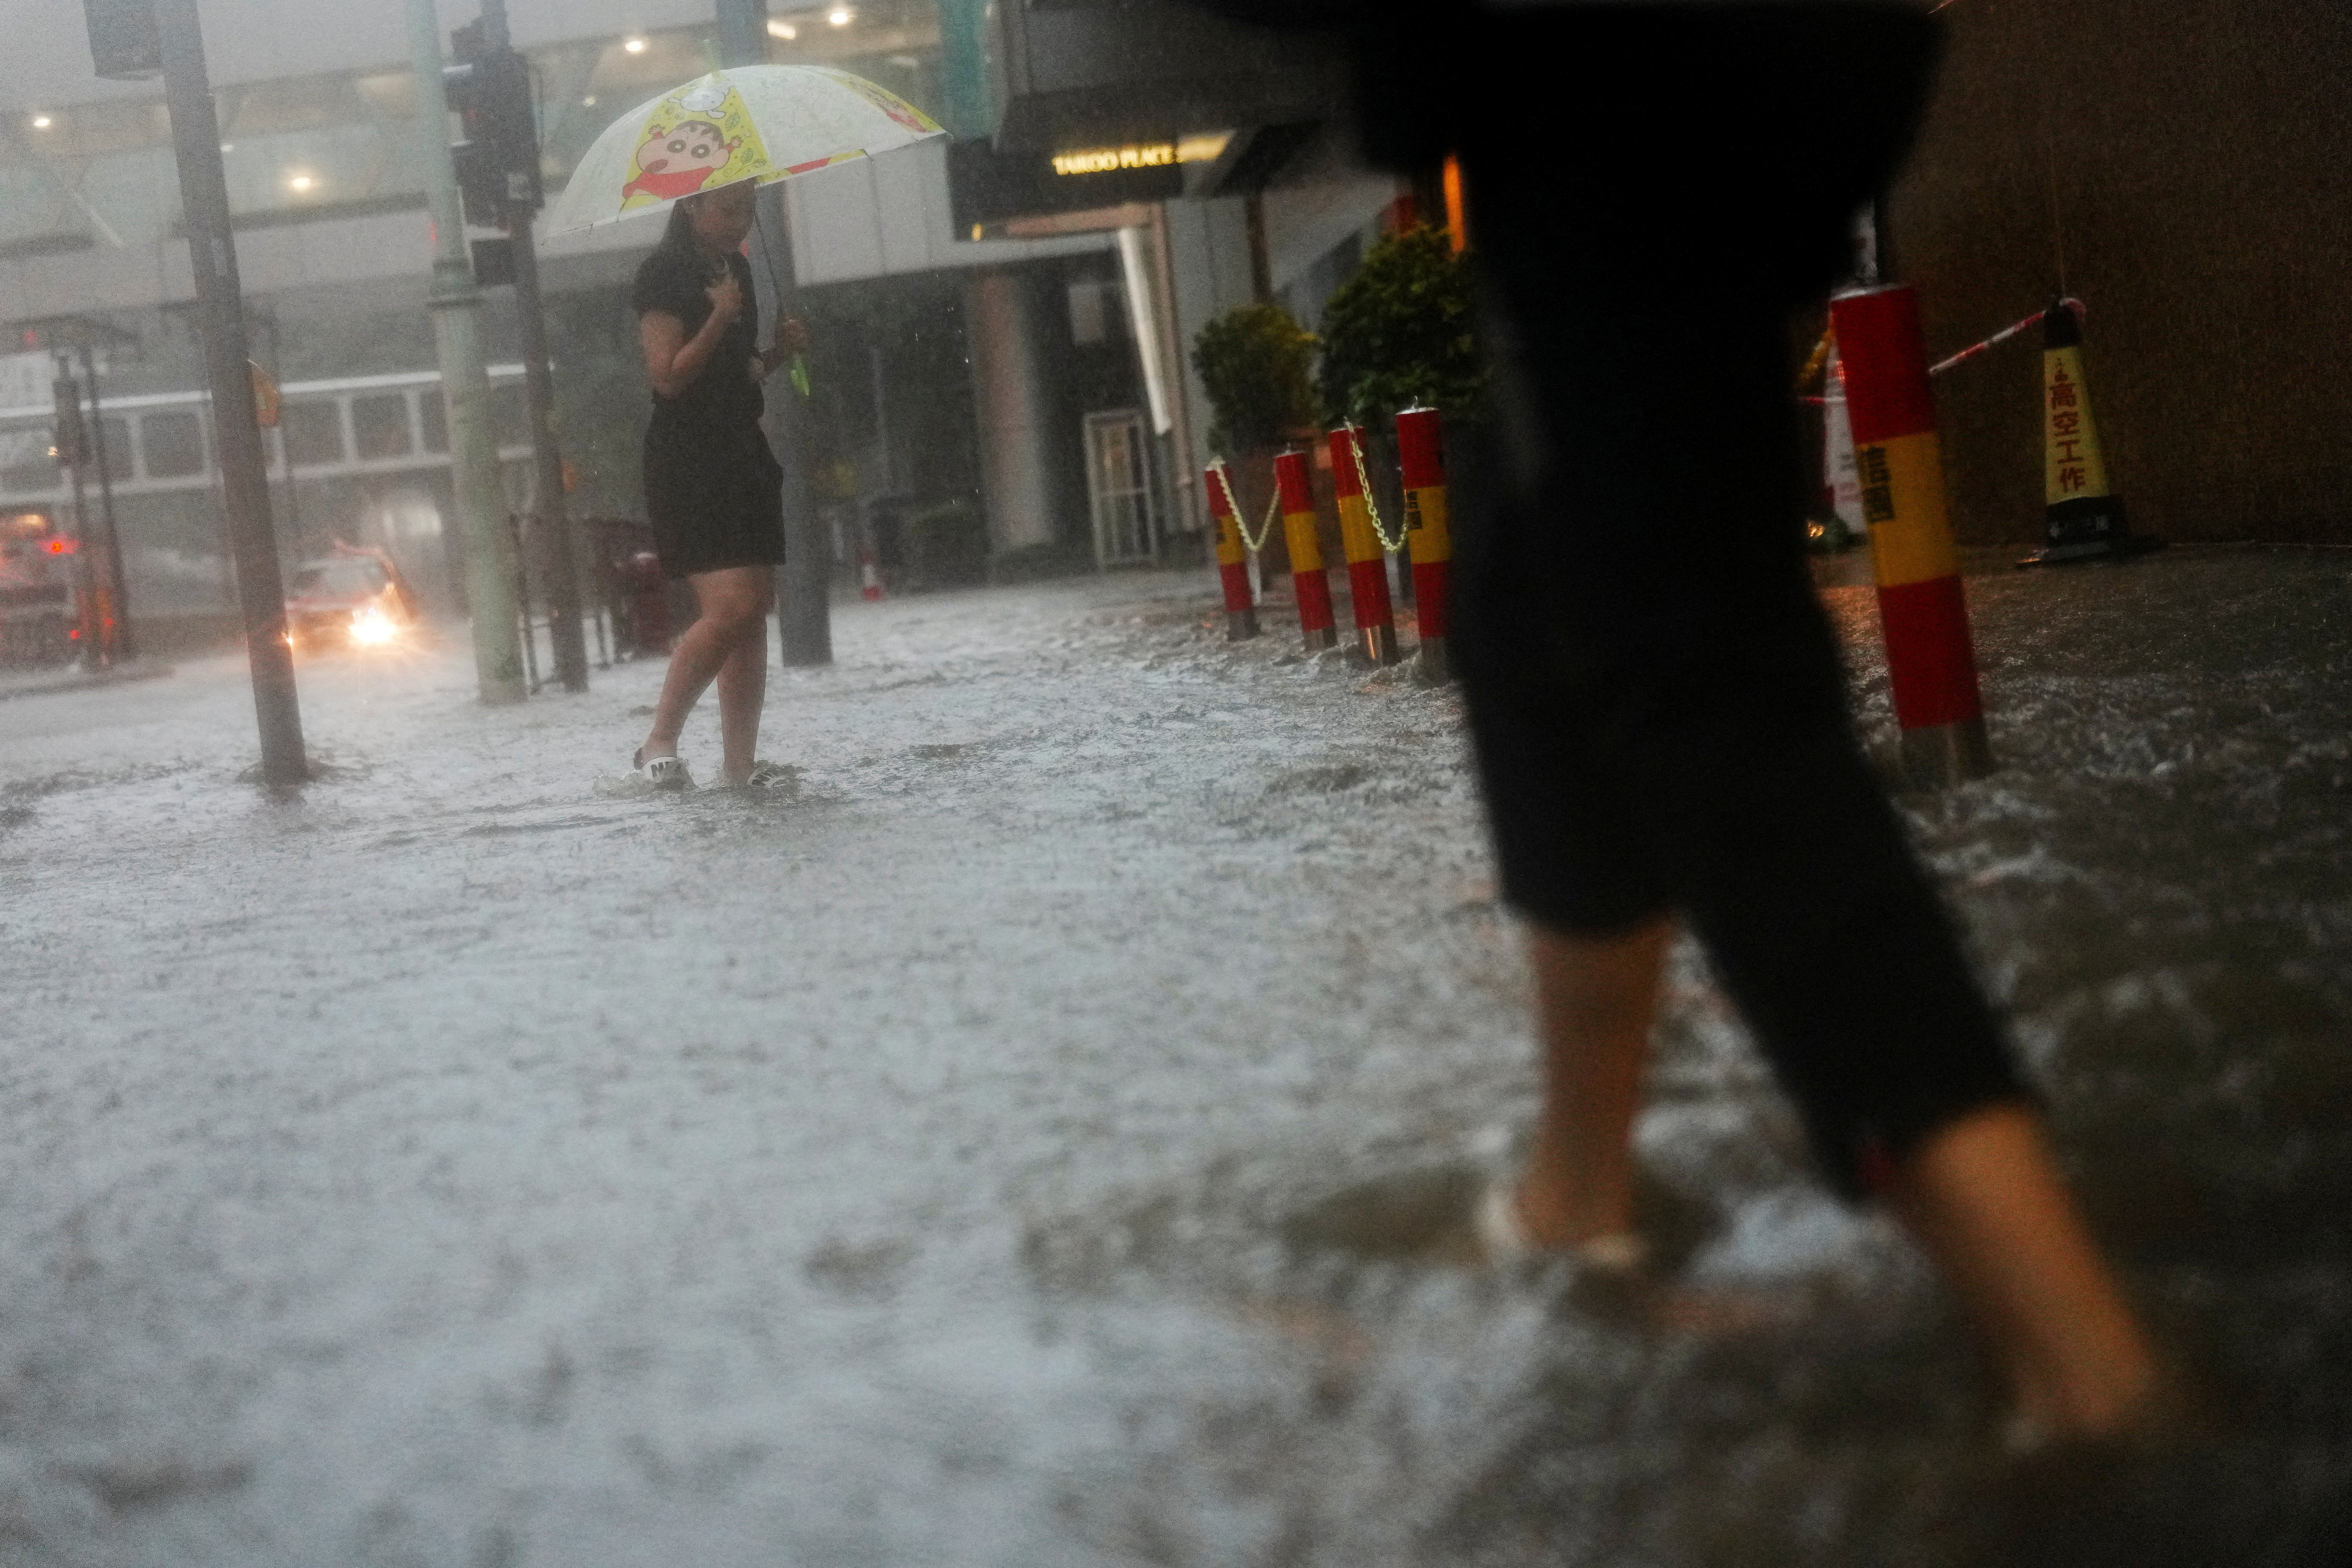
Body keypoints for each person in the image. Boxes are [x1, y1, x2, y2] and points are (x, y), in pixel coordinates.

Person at [1209, 0, 2163, 1448]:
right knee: (1532, 609)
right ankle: (1573, 1203)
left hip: (1625, 72)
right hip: (1631, 81)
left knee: (1701, 676)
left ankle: (2094, 1373)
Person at [628, 178, 803, 790]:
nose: (740, 221)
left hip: (741, 453)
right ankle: (659, 738)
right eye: (727, 209)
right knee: (730, 606)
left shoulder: (738, 270)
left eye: (749, 209)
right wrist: (719, 317)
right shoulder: (663, 275)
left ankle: (739, 764)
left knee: (754, 611)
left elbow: (742, 372)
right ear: (690, 205)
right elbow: (669, 378)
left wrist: (777, 353)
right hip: (689, 460)